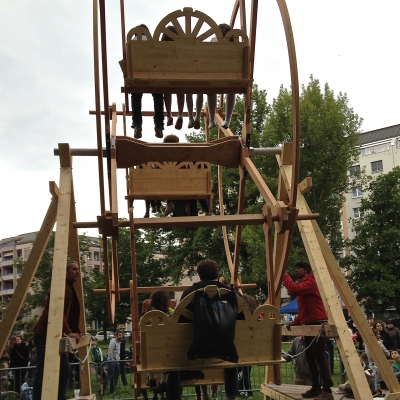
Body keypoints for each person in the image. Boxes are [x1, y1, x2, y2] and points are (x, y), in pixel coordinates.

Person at [166, 259, 239, 400]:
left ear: (199, 275)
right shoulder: (230, 292)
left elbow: (179, 321)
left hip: (196, 348)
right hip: (227, 348)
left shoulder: (190, 292)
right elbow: (247, 312)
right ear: (218, 274)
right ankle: (231, 395)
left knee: (174, 361)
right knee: (230, 360)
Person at [282, 261, 333, 400]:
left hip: (317, 323)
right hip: (310, 323)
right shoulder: (303, 285)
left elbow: (293, 290)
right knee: (310, 357)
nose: (295, 270)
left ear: (306, 270)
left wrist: (284, 276)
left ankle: (327, 390)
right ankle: (316, 387)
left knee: (320, 357)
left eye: (298, 268)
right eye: (294, 268)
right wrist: (294, 323)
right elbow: (305, 310)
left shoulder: (310, 281)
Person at [32, 260, 82, 400]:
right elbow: (55, 312)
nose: (77, 271)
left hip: (56, 335)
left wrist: (76, 331)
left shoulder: (71, 288)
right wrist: (68, 331)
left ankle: (59, 397)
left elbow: (72, 314)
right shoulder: (58, 288)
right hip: (44, 335)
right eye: (74, 269)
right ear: (65, 272)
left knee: (64, 370)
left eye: (78, 269)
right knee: (42, 371)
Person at [130, 24, 164, 139]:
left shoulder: (131, 43)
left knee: (136, 95)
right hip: (154, 76)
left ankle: (137, 124)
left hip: (136, 77)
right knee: (158, 96)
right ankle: (159, 124)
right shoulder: (153, 43)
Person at [145, 290, 174, 397]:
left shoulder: (150, 316)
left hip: (153, 352)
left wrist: (144, 309)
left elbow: (141, 326)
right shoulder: (172, 313)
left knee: (148, 352)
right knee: (167, 355)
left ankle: (152, 378)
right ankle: (163, 382)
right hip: (168, 351)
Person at [207, 24, 236, 130]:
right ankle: (227, 119)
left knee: (211, 91)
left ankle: (211, 119)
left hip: (215, 74)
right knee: (231, 90)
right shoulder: (235, 43)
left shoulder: (214, 40)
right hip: (232, 75)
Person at [161, 25, 186, 131]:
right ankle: (180, 114)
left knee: (167, 90)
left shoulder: (161, 47)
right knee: (180, 90)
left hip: (166, 76)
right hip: (180, 75)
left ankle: (169, 114)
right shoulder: (181, 47)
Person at [103, 330, 123, 395]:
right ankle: (102, 389)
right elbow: (110, 351)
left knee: (114, 377)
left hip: (117, 362)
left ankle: (112, 390)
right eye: (119, 335)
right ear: (116, 336)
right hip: (112, 362)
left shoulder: (118, 343)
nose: (120, 336)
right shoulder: (113, 342)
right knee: (109, 376)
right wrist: (111, 360)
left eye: (121, 335)